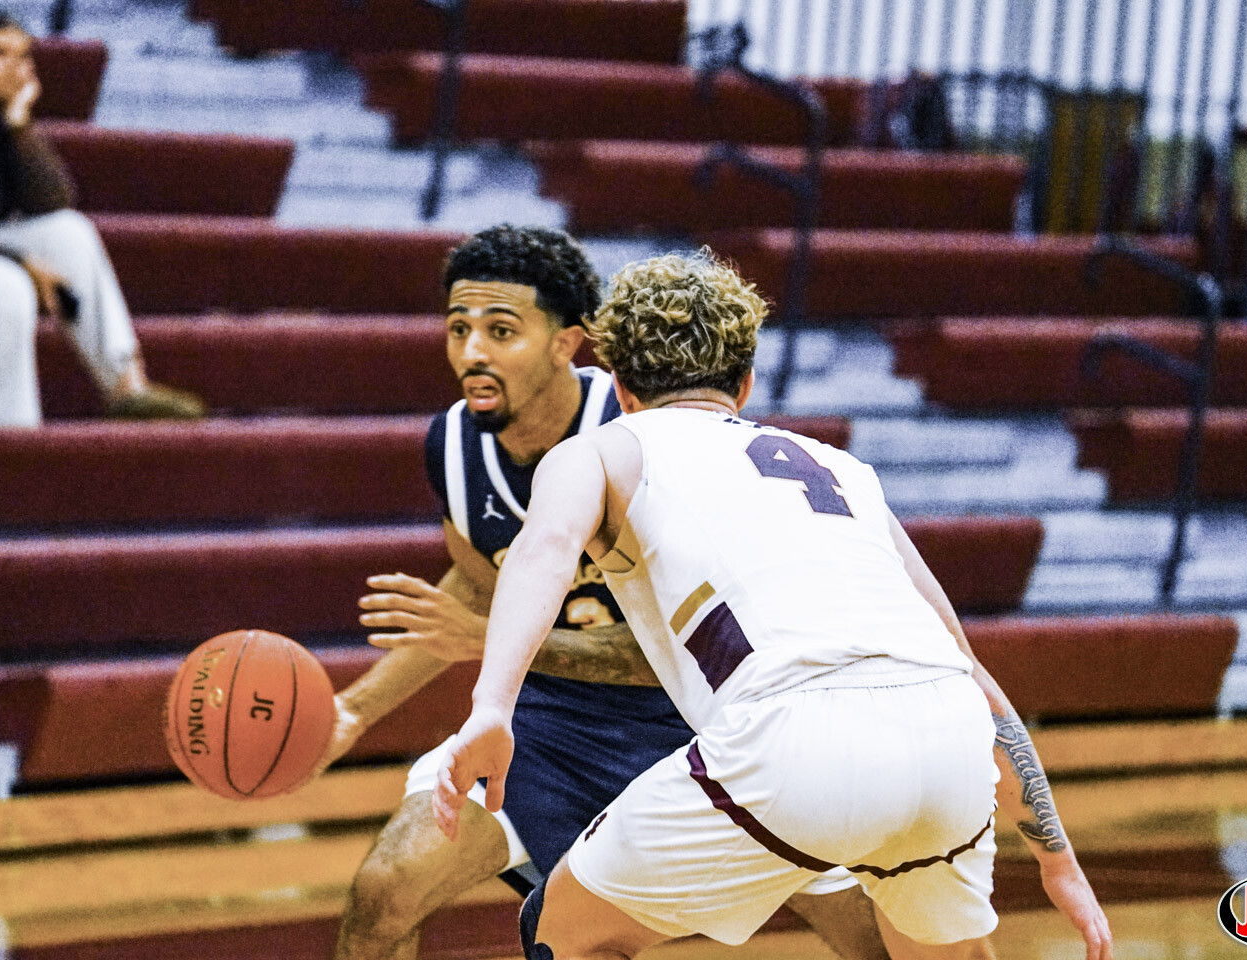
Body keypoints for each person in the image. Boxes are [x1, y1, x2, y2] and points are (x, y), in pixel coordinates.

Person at [434, 250, 1116, 960]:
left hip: (791, 740)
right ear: (746, 384)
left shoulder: (601, 450)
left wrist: (492, 705)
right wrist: (1058, 859)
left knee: (563, 931)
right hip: (950, 742)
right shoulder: (843, 470)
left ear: (621, 389)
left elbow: (544, 548)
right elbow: (970, 671)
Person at [321, 225, 890, 960]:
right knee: (385, 892)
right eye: (459, 329)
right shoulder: (454, 446)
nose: (473, 353)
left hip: (695, 720)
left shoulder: (643, 430)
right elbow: (484, 587)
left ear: (567, 343)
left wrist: (483, 639)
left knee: (873, 935)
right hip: (549, 729)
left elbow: (688, 647)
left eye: (501, 331)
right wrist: (354, 709)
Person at [0, 6, 203, 425]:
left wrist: (20, 126)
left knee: (69, 232)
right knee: (4, 285)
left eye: (23, 56)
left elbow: (54, 200)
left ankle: (127, 388)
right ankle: (1, 443)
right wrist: (22, 261)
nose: (15, 67)